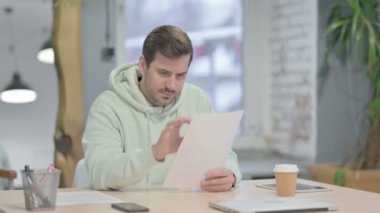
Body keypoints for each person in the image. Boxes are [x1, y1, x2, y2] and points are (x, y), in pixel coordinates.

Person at [82, 25, 241, 192]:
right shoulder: (107, 107)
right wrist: (154, 153)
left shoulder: (197, 100)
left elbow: (224, 155)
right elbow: (101, 173)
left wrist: (231, 175)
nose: (172, 86)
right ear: (143, 65)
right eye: (163, 73)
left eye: (180, 76)